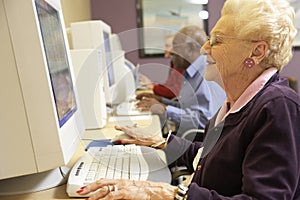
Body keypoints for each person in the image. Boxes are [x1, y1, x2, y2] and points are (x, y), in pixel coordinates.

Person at [75, 0, 300, 199]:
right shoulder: (239, 101)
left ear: (256, 52)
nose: (204, 49)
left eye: (217, 41)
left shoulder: (278, 107)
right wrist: (162, 142)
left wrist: (168, 193)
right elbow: (213, 156)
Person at [136, 25, 225, 135]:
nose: (171, 52)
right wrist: (161, 100)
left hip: (199, 139)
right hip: (186, 133)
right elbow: (188, 107)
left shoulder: (206, 73)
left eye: (176, 47)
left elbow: (204, 119)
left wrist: (165, 109)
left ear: (190, 49)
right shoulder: (190, 72)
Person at [139, 34, 184, 99]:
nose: (164, 49)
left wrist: (152, 87)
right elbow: (169, 85)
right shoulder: (173, 63)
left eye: (167, 46)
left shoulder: (181, 65)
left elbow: (174, 92)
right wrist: (152, 84)